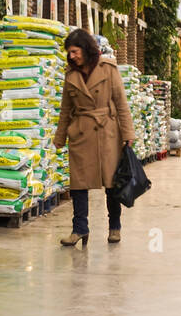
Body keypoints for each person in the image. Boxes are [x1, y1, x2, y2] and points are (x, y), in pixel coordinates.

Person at [54, 29, 136, 248]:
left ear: (86, 48)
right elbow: (65, 109)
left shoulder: (108, 69)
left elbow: (121, 103)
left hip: (108, 132)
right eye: (69, 53)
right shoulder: (70, 75)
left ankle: (115, 227)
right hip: (81, 133)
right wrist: (60, 136)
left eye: (74, 51)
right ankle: (79, 229)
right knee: (79, 184)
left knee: (111, 184)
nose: (71, 56)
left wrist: (128, 133)